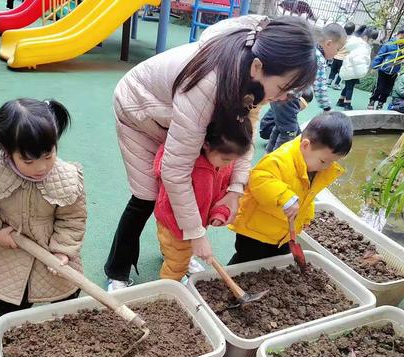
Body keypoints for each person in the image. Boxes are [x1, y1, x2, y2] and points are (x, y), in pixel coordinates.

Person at [104, 16, 318, 292]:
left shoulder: (254, 77)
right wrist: (196, 233)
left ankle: (176, 252)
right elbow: (174, 170)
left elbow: (246, 137)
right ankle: (117, 270)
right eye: (282, 87)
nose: (283, 98)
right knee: (147, 194)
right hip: (141, 108)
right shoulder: (207, 84)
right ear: (257, 67)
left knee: (194, 188)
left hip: (179, 115)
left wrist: (236, 188)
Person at [0, 99, 86, 329]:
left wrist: (62, 251)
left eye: (48, 155)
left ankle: (64, 327)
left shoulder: (66, 178)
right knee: (14, 299)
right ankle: (1, 323)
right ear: (7, 151)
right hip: (10, 251)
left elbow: (73, 219)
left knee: (65, 292)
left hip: (50, 251)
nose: (41, 167)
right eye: (28, 160)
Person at [228, 112, 353, 264]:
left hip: (282, 232)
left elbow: (308, 195)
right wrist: (284, 196)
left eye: (332, 163)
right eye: (323, 161)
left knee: (275, 261)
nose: (326, 167)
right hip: (255, 230)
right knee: (246, 261)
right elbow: (259, 179)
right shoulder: (280, 160)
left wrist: (306, 215)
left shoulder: (314, 168)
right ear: (305, 145)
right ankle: (226, 282)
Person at [155, 117, 253, 281]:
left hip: (196, 223)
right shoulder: (189, 167)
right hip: (175, 225)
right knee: (176, 263)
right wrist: (196, 236)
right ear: (206, 145)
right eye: (227, 160)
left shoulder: (222, 162)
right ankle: (170, 287)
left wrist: (219, 213)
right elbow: (179, 202)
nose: (228, 164)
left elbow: (222, 192)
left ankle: (178, 255)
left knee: (180, 252)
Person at [259, 23, 346, 156]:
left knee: (280, 127)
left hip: (280, 94)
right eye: (337, 49)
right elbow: (320, 86)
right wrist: (327, 108)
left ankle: (268, 155)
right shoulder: (319, 59)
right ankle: (277, 161)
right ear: (329, 43)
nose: (336, 54)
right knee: (289, 132)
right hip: (288, 98)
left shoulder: (308, 50)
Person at [260, 87, 314, 153]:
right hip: (267, 129)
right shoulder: (289, 105)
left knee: (281, 128)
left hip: (270, 126)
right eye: (305, 105)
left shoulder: (284, 108)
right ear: (300, 100)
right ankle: (277, 159)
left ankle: (269, 155)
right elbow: (291, 128)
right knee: (288, 132)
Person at [338, 27, 379, 110]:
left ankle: (341, 100)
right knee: (349, 88)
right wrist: (362, 71)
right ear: (365, 38)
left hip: (350, 69)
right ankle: (347, 105)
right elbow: (358, 61)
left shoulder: (358, 45)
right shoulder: (362, 47)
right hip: (353, 70)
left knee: (348, 86)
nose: (372, 42)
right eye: (371, 40)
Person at [368, 29, 404, 110]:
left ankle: (381, 103)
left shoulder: (402, 47)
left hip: (394, 72)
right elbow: (380, 56)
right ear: (401, 34)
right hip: (383, 71)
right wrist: (374, 67)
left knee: (387, 90)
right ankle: (372, 101)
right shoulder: (389, 44)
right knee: (379, 88)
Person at [328, 22, 356, 90]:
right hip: (344, 59)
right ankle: (336, 84)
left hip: (336, 57)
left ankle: (329, 81)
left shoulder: (340, 37)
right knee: (341, 73)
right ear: (353, 31)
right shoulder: (352, 40)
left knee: (333, 70)